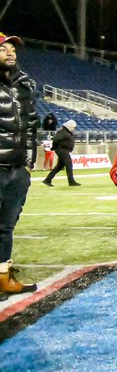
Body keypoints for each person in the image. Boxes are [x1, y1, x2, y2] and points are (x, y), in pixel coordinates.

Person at [0, 32, 39, 299]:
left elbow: (32, 125)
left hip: (17, 168)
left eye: (13, 48)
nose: (10, 52)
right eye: (3, 49)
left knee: (6, 226)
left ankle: (3, 278)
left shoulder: (25, 84)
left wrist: (28, 163)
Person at [42, 119, 79, 187]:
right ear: (70, 126)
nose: (74, 129)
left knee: (59, 167)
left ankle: (47, 180)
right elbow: (56, 140)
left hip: (63, 150)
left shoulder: (64, 132)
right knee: (69, 165)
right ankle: (71, 181)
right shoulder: (63, 132)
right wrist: (54, 147)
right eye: (73, 127)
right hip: (62, 150)